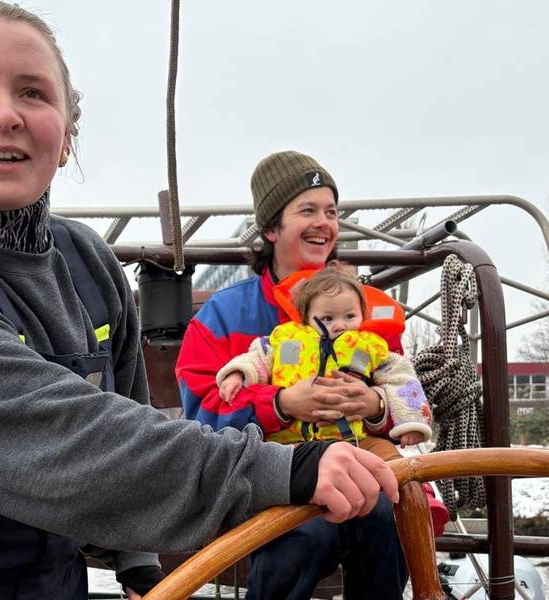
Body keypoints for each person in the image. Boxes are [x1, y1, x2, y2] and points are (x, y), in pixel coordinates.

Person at [0, 3, 400, 600]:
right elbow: (63, 435)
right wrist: (287, 463)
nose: (4, 115)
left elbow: (128, 418)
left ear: (67, 133)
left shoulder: (88, 260)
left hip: (52, 580)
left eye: (34, 94)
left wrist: (139, 568)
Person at [177, 150, 441, 599]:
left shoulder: (364, 315)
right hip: (269, 475)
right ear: (270, 228)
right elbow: (203, 415)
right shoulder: (223, 314)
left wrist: (376, 408)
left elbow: (404, 392)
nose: (324, 222)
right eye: (308, 210)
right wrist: (281, 404)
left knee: (386, 510)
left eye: (332, 212)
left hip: (360, 461)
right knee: (306, 534)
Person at [216, 263, 434, 448]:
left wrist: (411, 422)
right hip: (289, 447)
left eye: (350, 316)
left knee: (393, 467)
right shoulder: (285, 339)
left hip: (353, 445)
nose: (339, 325)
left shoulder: (370, 346)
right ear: (307, 317)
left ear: (362, 313)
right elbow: (256, 358)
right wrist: (237, 374)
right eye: (327, 319)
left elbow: (401, 379)